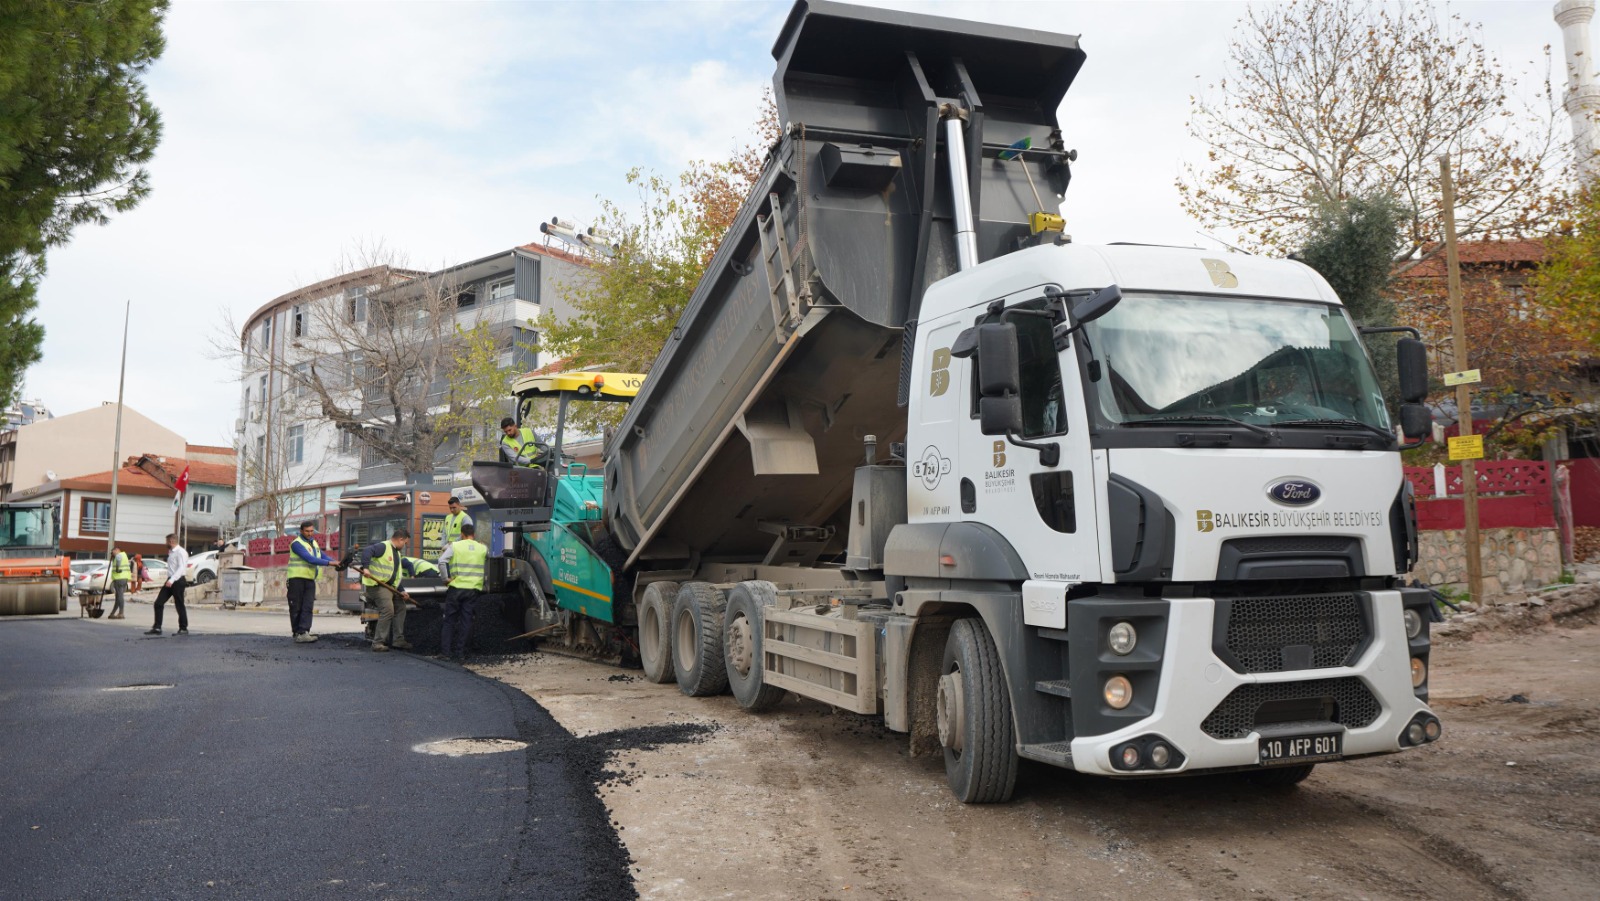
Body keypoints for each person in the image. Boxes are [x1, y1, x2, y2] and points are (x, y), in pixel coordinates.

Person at [344, 529, 412, 652]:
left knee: (401, 606)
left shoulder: (396, 553)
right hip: (377, 586)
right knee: (388, 609)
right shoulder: (384, 547)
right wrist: (366, 568)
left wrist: (402, 591)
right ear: (401, 539)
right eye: (405, 543)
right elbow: (367, 551)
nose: (405, 545)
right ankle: (378, 642)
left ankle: (398, 640)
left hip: (390, 586)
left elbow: (395, 577)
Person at [436, 522, 487, 662]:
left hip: (456, 588)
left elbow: (441, 561)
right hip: (473, 590)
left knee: (449, 621)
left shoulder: (455, 546)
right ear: (473, 535)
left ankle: (445, 653)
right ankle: (460, 653)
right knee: (466, 621)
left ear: (462, 535)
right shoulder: (482, 548)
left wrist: (445, 579)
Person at [287, 520, 336, 643]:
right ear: (301, 531)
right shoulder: (296, 544)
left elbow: (321, 556)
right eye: (307, 531)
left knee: (308, 606)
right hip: (296, 579)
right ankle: (298, 632)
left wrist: (336, 562)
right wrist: (330, 563)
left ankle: (304, 631)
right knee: (296, 607)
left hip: (309, 580)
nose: (310, 533)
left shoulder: (313, 543)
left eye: (311, 531)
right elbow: (310, 559)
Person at [145, 534, 189, 637]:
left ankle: (183, 628)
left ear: (171, 541)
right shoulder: (171, 552)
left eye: (166, 541)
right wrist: (170, 580)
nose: (165, 543)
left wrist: (172, 580)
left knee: (179, 605)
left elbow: (181, 568)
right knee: (158, 603)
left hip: (178, 580)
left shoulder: (181, 552)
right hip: (170, 580)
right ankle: (157, 627)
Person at [108, 544, 131, 619]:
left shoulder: (119, 555)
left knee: (120, 596)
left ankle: (121, 613)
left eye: (113, 551)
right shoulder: (124, 555)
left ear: (117, 550)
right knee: (118, 596)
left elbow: (118, 561)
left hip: (119, 578)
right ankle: (113, 613)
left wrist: (117, 569)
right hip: (124, 578)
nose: (112, 553)